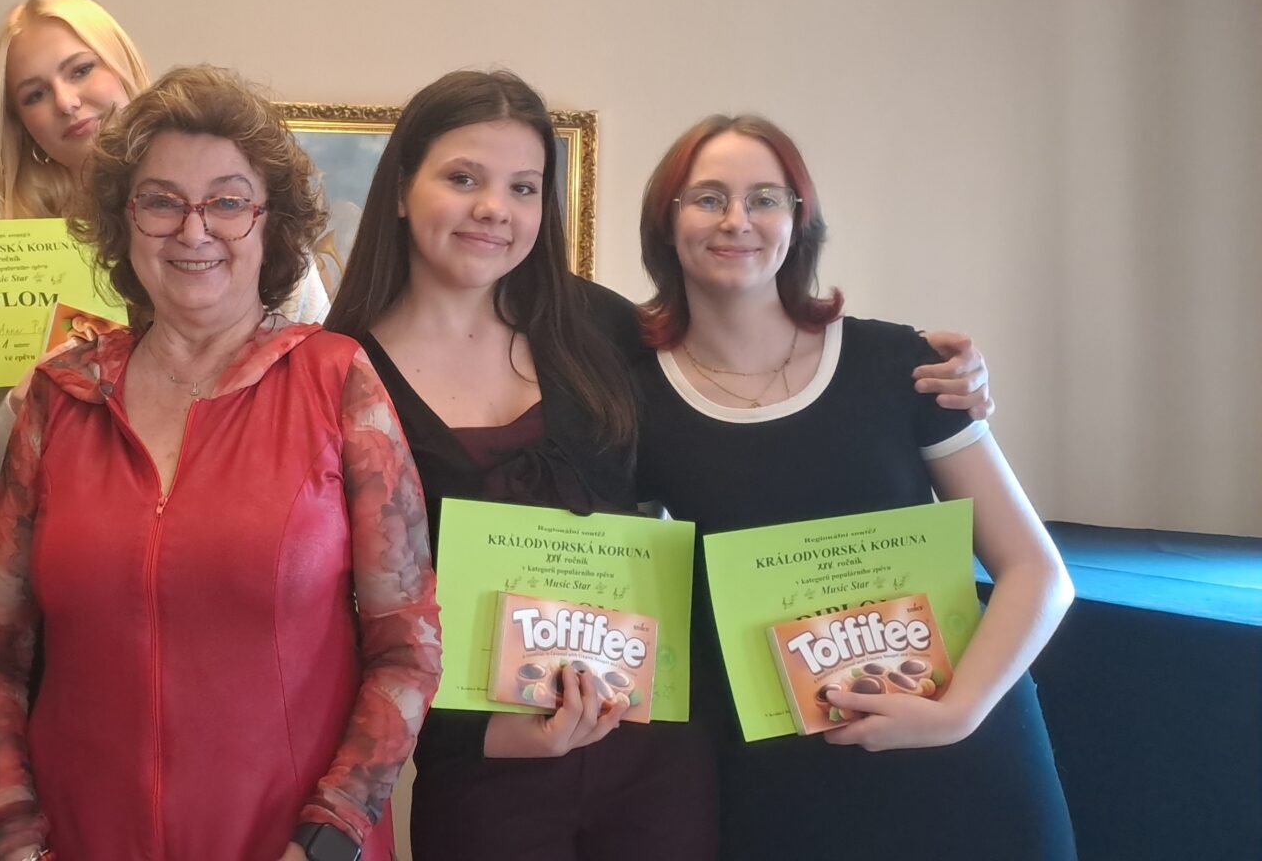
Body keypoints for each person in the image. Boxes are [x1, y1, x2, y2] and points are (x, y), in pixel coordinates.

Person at [323, 72, 1001, 859]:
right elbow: (335, 609)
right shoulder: (337, 372)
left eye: (523, 187)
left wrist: (928, 370)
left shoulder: (600, 329)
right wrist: (477, 736)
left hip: (661, 752)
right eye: (463, 179)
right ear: (401, 189)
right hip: (487, 768)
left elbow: (747, 388)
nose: (494, 209)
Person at [0, 66, 440, 861]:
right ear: (123, 221)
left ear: (270, 222)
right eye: (160, 201)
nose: (193, 229)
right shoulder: (59, 398)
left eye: (227, 201)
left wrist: (329, 836)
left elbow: (406, 645)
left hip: (290, 845)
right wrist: (12, 833)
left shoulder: (338, 382)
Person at [629, 113, 1077, 860]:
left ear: (798, 221)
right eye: (707, 198)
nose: (737, 220)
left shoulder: (901, 364)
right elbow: (640, 592)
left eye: (765, 198)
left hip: (958, 738)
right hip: (776, 767)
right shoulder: (633, 396)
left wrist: (957, 713)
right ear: (665, 223)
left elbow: (1037, 572)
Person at [0, 0, 330, 513]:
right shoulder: (3, 269)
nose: (66, 101)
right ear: (21, 127)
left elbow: (323, 416)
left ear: (123, 66)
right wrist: (24, 400)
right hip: (84, 541)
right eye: (34, 94)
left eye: (81, 70)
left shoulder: (248, 234)